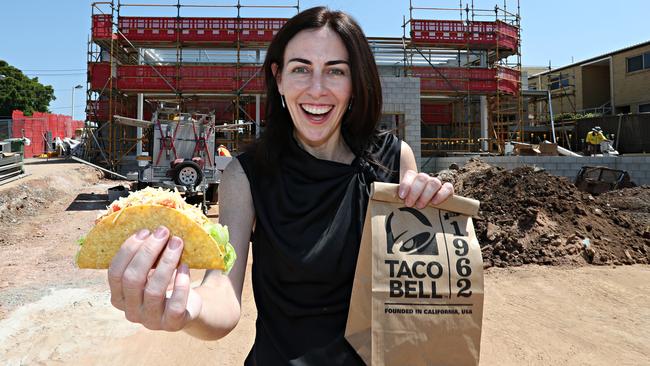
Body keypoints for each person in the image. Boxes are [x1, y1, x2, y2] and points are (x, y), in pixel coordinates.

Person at [106, 7, 454, 365]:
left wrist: (436, 214)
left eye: (335, 71)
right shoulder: (246, 175)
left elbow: (418, 287)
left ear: (355, 83)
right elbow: (222, 290)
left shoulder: (395, 160)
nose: (317, 89)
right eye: (301, 69)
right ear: (279, 78)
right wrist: (188, 306)